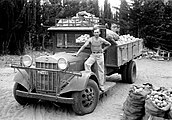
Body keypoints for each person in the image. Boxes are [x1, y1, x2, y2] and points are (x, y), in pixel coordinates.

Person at [74, 26, 111, 91]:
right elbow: (84, 46)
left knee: (100, 70)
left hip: (100, 55)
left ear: (99, 33)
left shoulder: (101, 39)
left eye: (97, 32)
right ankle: (90, 79)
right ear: (93, 33)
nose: (96, 33)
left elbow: (109, 44)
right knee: (87, 64)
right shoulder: (91, 39)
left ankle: (101, 85)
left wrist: (103, 49)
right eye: (95, 32)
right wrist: (77, 53)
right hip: (93, 55)